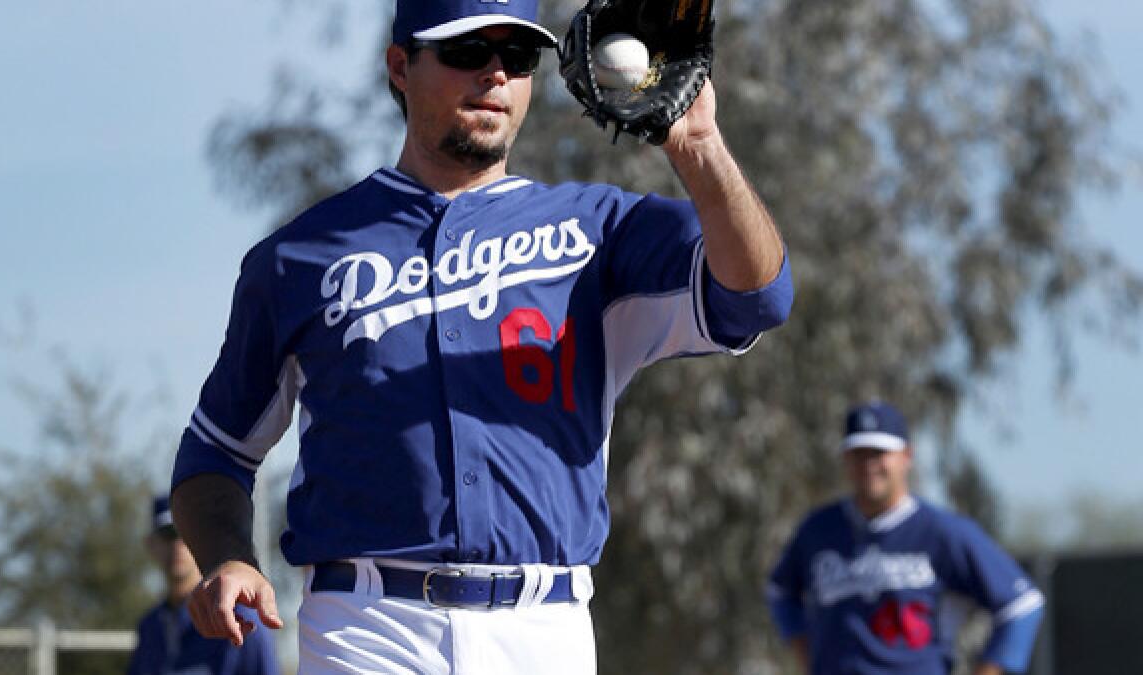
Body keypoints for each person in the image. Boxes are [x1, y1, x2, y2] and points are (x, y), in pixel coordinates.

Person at [169, 0, 794, 671]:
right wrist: (228, 557)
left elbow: (757, 296)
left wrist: (700, 148)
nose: (496, 74)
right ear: (400, 66)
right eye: (468, 51)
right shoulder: (301, 257)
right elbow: (214, 453)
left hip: (543, 625)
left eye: (517, 57)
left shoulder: (599, 229)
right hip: (369, 625)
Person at [766, 402, 1045, 675]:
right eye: (859, 454)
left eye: (879, 452)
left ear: (907, 456)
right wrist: (806, 655)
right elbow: (781, 593)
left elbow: (1022, 605)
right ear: (846, 459)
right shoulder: (819, 529)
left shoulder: (941, 531)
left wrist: (991, 668)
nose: (869, 464)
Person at [127, 496, 279, 675]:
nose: (178, 545)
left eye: (186, 533)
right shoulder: (149, 628)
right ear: (151, 544)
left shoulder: (239, 619)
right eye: (168, 534)